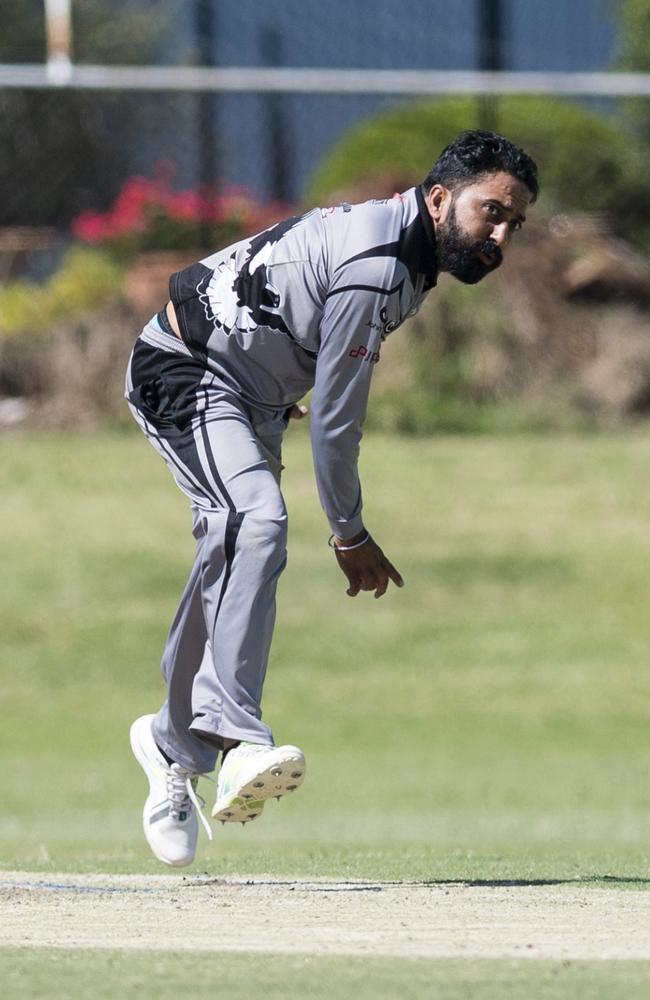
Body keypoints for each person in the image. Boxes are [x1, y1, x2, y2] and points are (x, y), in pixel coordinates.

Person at [126, 129, 538, 867]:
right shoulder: (380, 265)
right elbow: (339, 425)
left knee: (233, 539)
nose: (501, 236)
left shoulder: (411, 253)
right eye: (493, 212)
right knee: (254, 522)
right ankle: (238, 739)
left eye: (515, 224)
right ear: (440, 197)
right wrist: (348, 533)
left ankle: (171, 745)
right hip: (184, 370)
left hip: (249, 395)